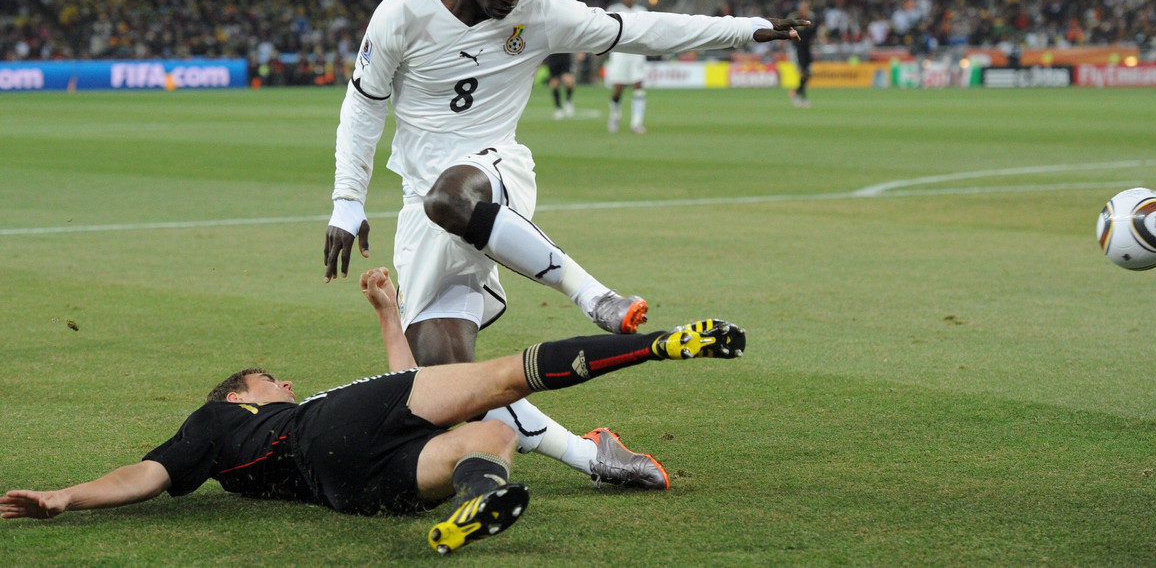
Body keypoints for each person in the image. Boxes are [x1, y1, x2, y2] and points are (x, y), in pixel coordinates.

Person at [322, 0, 805, 486]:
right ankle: (593, 455)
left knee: (449, 197)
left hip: (494, 170)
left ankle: (592, 294)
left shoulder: (540, 13)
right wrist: (347, 200)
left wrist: (743, 29)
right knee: (450, 375)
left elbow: (638, 29)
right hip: (420, 203)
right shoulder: (402, 13)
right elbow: (363, 105)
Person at [1, 267, 747, 555]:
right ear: (237, 395)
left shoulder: (245, 447)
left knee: (484, 437)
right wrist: (70, 494)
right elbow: (146, 470)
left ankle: (479, 503)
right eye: (269, 379)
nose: (282, 380)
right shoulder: (225, 422)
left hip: (353, 490)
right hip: (332, 439)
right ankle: (654, 346)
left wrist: (389, 317)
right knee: (497, 379)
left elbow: (408, 396)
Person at [605, 0, 649, 134]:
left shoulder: (642, 12)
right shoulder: (614, 9)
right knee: (618, 88)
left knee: (638, 86)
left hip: (636, 55)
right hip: (619, 54)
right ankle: (615, 114)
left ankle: (636, 122)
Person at [789, 0, 819, 108]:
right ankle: (802, 97)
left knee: (808, 73)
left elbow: (814, 32)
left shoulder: (811, 18)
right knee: (802, 72)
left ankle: (796, 92)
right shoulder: (794, 17)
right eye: (803, 6)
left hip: (807, 49)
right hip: (797, 49)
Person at [545, 52, 576, 119]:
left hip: (565, 55)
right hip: (553, 56)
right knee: (554, 83)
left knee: (569, 81)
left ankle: (568, 101)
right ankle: (558, 108)